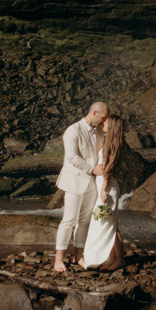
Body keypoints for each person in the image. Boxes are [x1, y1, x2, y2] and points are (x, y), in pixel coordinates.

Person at [53, 101, 108, 273]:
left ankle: (79, 256)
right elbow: (71, 157)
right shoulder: (73, 130)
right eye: (102, 118)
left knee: (84, 221)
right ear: (94, 113)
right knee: (69, 220)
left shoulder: (99, 133)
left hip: (91, 182)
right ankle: (58, 260)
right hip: (75, 180)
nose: (103, 122)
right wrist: (92, 169)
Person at [80, 114, 126, 270]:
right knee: (111, 224)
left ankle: (117, 259)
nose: (103, 123)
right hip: (105, 185)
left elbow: (108, 169)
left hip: (107, 187)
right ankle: (114, 258)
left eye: (106, 122)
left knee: (105, 222)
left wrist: (103, 190)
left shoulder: (111, 144)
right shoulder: (113, 142)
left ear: (112, 125)